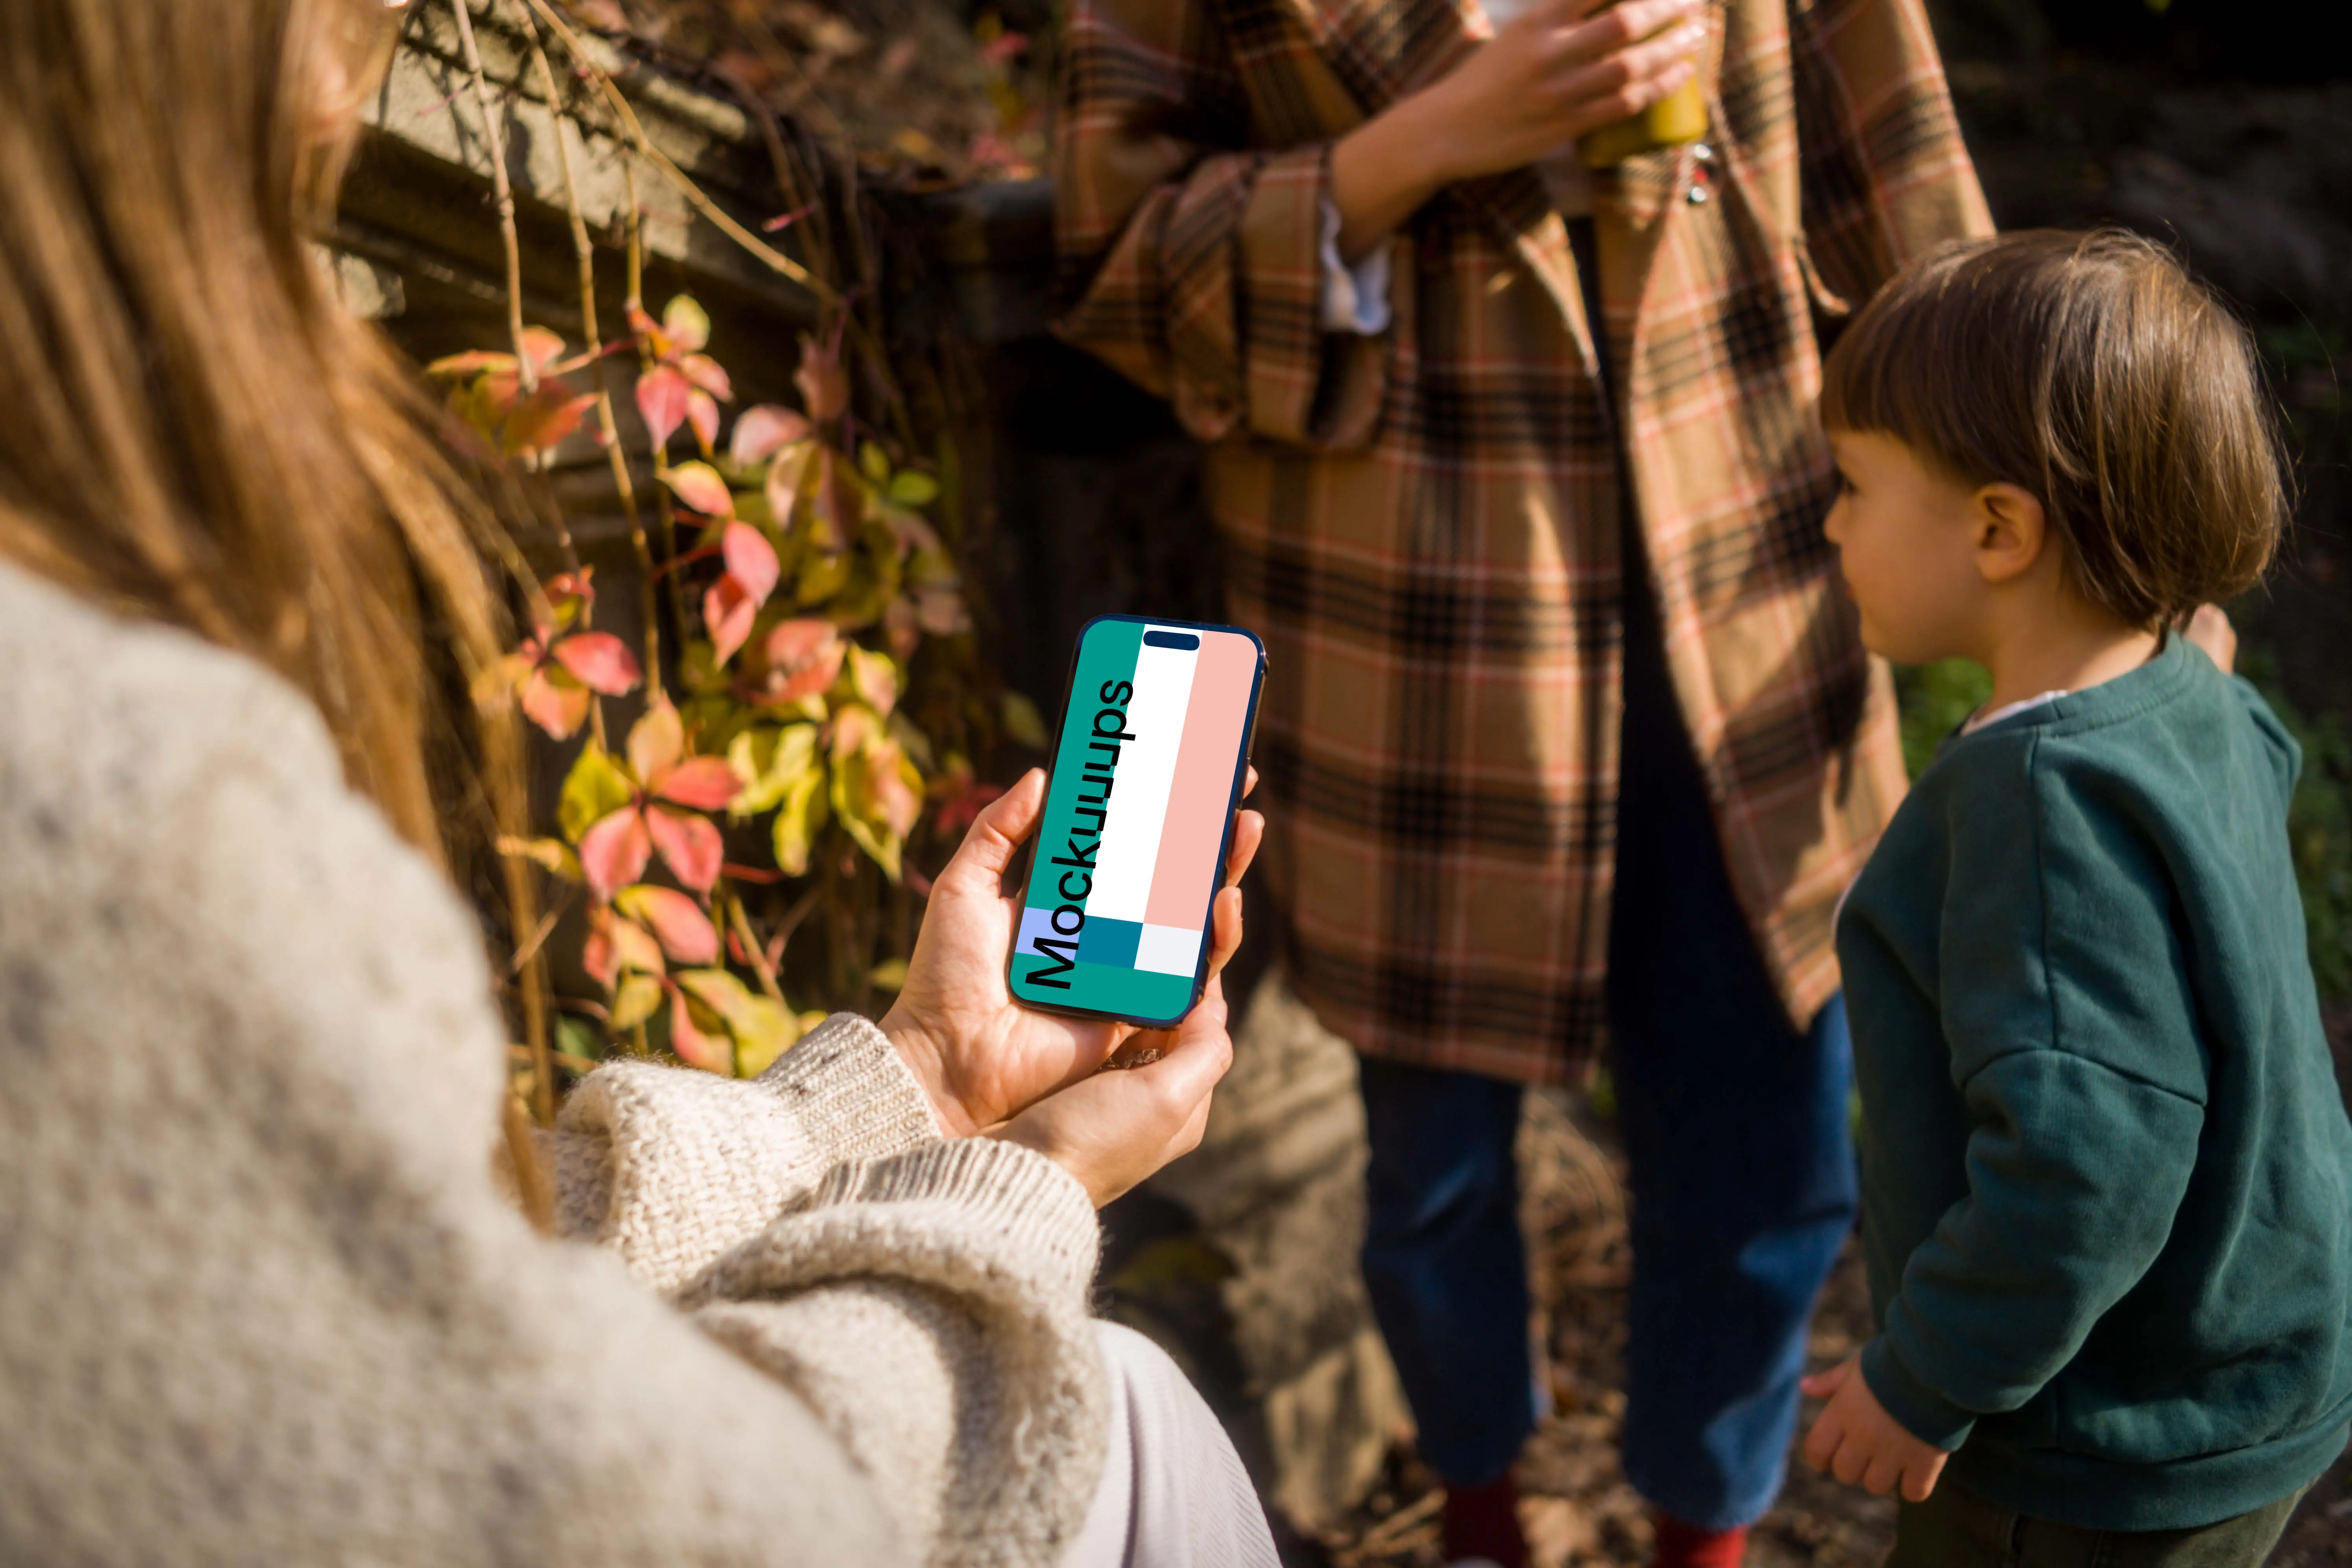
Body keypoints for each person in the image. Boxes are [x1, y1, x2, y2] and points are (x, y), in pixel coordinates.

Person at [0, 1, 1282, 1564]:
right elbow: (655, 1529)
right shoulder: (128, 806)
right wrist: (1016, 1191)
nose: (347, 94)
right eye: (358, 28)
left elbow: (450, 1294)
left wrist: (918, 1082)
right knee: (1131, 1415)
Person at [1051, 0, 1990, 1559]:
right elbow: (1115, 269)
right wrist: (1423, 142)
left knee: (1771, 1164)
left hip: (1753, 595)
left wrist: (2091, 550)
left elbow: (1920, 212)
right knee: (1434, 1184)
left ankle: (1710, 1537)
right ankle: (1481, 1520)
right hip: (1410, 635)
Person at [1797, 229, 2352, 1565]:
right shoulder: (2186, 691)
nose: (1829, 525)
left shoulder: (2037, 801)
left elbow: (2083, 1164)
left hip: (2094, 1443)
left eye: (1855, 487)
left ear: (1999, 530)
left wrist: (1926, 1375)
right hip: (2250, 1360)